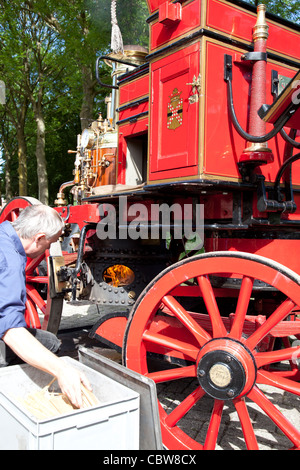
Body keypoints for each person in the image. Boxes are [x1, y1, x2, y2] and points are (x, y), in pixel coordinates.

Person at [0, 203, 91, 408]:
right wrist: (61, 370)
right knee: (50, 344)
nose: (49, 248)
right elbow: (11, 331)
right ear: (39, 237)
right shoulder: (10, 264)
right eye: (49, 243)